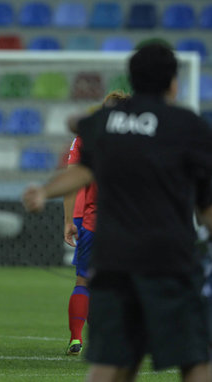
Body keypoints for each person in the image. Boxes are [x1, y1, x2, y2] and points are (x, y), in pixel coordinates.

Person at [23, 43, 212, 381]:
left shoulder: (104, 122)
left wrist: (45, 191)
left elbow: (83, 169)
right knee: (196, 358)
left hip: (115, 257)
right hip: (168, 257)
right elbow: (207, 206)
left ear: (133, 78)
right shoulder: (189, 126)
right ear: (173, 81)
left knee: (112, 362)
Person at [64, 92, 130, 356]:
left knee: (84, 279)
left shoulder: (85, 137)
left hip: (88, 216)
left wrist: (68, 220)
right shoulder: (136, 141)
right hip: (124, 221)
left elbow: (70, 179)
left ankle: (76, 338)